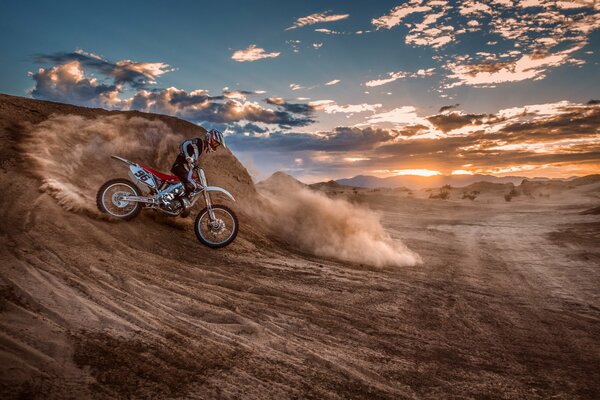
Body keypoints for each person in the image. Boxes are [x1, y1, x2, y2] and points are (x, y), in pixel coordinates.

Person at [170, 129, 225, 196]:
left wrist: (194, 166)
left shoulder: (202, 147)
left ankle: (177, 201)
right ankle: (177, 201)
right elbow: (185, 144)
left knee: (194, 185)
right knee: (192, 185)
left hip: (183, 167)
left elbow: (192, 159)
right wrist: (187, 156)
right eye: (214, 142)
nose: (215, 145)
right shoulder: (199, 142)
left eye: (217, 144)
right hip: (181, 166)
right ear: (209, 138)